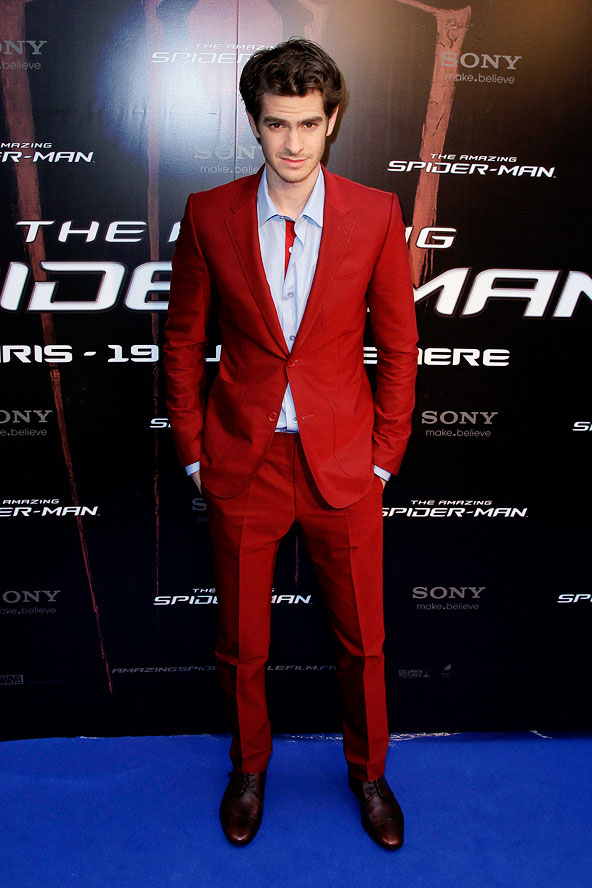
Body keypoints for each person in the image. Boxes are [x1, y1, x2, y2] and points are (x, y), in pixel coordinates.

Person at [163, 38, 418, 850]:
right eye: (277, 124)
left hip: (345, 464)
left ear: (332, 120)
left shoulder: (375, 214)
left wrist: (383, 457)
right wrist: (195, 450)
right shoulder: (210, 214)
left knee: (364, 642)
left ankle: (369, 773)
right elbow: (182, 339)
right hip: (245, 463)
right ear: (254, 123)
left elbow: (399, 347)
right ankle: (248, 769)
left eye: (308, 123)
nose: (294, 142)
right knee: (242, 645)